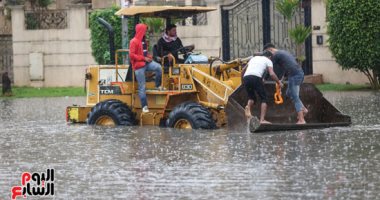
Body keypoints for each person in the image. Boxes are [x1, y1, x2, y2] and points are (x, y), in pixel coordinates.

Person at [263, 43, 308, 124]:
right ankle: (303, 109)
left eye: (267, 54)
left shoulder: (275, 55)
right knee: (288, 93)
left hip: (295, 75)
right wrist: (282, 80)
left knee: (295, 97)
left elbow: (270, 69)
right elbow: (287, 67)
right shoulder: (283, 52)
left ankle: (301, 120)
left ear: (270, 50)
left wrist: (264, 79)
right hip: (296, 74)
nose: (268, 57)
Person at [242, 50, 283, 124]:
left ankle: (248, 110)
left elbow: (243, 70)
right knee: (264, 98)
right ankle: (262, 120)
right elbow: (272, 74)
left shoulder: (254, 58)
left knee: (251, 98)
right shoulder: (268, 60)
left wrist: (242, 82)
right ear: (270, 57)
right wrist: (278, 82)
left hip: (246, 77)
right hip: (256, 77)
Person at [129, 23, 163, 113]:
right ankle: (144, 106)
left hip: (146, 62)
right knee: (142, 86)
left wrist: (149, 56)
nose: (146, 32)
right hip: (138, 66)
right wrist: (144, 58)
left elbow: (144, 52)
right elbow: (131, 55)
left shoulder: (144, 41)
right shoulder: (134, 41)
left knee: (159, 68)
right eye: (144, 30)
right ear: (141, 31)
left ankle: (157, 85)